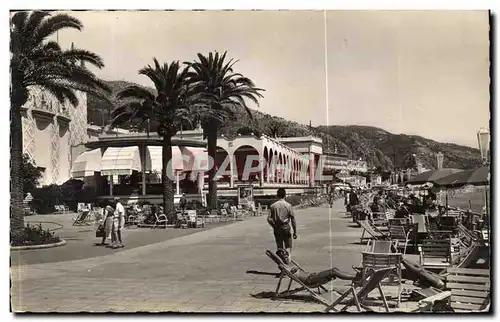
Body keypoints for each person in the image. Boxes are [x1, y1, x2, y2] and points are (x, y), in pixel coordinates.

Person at [267, 188, 297, 262]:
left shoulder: (273, 206)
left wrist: (273, 226)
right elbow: (293, 219)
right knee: (288, 246)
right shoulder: (288, 205)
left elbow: (268, 219)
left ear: (277, 195)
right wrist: (295, 231)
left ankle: (282, 261)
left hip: (277, 227)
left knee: (279, 247)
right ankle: (287, 259)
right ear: (285, 195)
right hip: (286, 227)